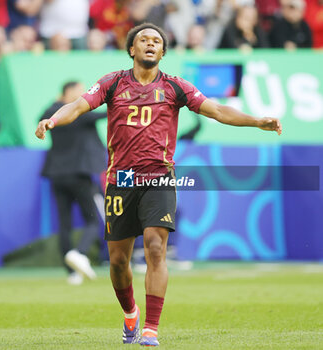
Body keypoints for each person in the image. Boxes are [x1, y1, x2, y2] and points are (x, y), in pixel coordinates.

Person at [35, 23, 282, 346]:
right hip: (121, 179)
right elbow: (79, 106)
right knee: (119, 261)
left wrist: (256, 121)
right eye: (143, 40)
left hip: (159, 176)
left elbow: (218, 110)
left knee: (155, 246)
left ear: (163, 52)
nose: (150, 44)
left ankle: (150, 329)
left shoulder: (176, 88)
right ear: (132, 50)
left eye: (157, 41)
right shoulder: (112, 83)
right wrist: (53, 120)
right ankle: (130, 314)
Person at [40, 81, 106, 285]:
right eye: (79, 91)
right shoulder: (79, 113)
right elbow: (100, 114)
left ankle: (71, 273)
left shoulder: (51, 112)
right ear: (68, 92)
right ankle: (80, 253)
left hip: (56, 175)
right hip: (79, 174)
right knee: (94, 220)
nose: (84, 96)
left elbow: (43, 117)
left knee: (64, 224)